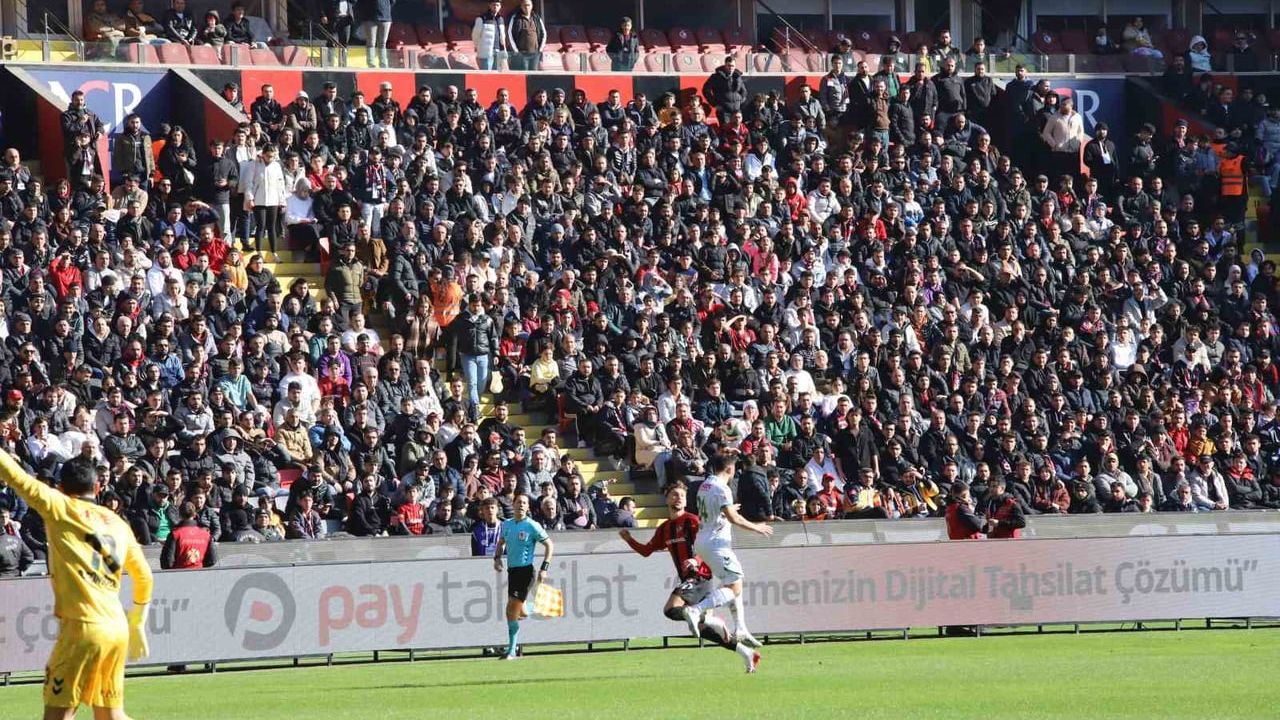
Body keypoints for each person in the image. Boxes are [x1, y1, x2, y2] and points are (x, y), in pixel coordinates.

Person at [0, 455, 152, 719]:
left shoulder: (58, 506)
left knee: (58, 715)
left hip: (82, 629)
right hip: (116, 628)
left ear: (60, 488)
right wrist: (137, 620)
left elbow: (15, 476)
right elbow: (144, 576)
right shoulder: (117, 522)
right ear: (97, 488)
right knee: (110, 715)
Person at [620, 482, 759, 670]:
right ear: (667, 499)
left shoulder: (692, 520)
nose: (679, 499)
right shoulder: (665, 528)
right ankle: (747, 653)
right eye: (675, 495)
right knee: (704, 631)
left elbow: (706, 543)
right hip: (689, 580)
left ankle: (710, 619)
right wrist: (629, 540)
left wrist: (696, 560)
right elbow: (646, 551)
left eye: (682, 496)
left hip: (700, 576)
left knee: (671, 609)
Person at [682, 454, 770, 669]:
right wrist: (757, 527)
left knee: (733, 583)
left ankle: (740, 627)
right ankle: (697, 610)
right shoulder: (723, 488)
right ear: (730, 470)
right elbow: (733, 518)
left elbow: (717, 513)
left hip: (703, 541)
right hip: (716, 544)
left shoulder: (704, 485)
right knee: (736, 584)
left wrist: (728, 511)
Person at [492, 493, 554, 660]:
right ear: (513, 504)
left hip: (526, 572)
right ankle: (541, 606)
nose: (521, 505)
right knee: (522, 612)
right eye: (518, 502)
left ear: (528, 507)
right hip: (512, 572)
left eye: (524, 503)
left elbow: (549, 544)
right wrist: (497, 558)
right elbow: (501, 542)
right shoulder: (507, 524)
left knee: (510, 610)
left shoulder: (532, 526)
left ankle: (511, 651)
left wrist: (544, 568)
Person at [159, 501, 219, 568]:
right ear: (194, 515)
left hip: (178, 575)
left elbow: (167, 562)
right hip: (200, 574)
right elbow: (212, 560)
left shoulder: (175, 534)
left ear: (179, 515)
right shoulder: (206, 534)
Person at [505, 0, 546, 71]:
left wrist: (540, 50)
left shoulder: (537, 18)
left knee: (533, 76)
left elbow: (544, 34)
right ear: (521, 7)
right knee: (522, 75)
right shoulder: (515, 18)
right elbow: (510, 34)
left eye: (528, 5)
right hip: (521, 55)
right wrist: (516, 51)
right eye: (524, 5)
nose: (526, 7)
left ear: (532, 6)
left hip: (534, 54)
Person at [472, 0, 507, 71]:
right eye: (494, 5)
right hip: (486, 52)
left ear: (500, 7)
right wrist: (479, 47)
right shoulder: (482, 18)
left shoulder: (501, 19)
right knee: (486, 74)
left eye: (497, 5)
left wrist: (504, 51)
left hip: (499, 51)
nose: (495, 7)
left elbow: (502, 36)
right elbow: (475, 35)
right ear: (490, 5)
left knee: (497, 75)